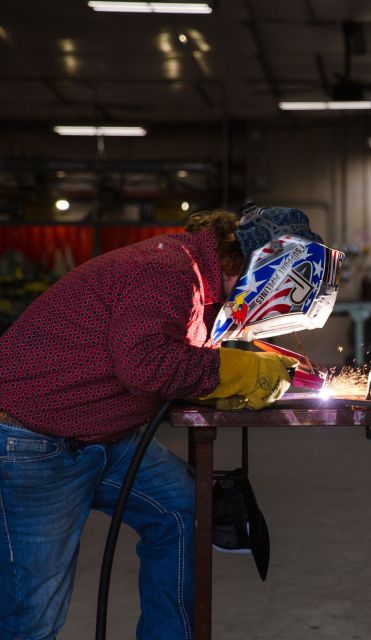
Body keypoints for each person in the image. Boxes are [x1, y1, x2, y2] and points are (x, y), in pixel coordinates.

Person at [0, 206, 322, 640]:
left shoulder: (200, 284)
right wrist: (238, 372)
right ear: (258, 268)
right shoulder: (168, 270)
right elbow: (147, 365)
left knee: (186, 511)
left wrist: (221, 378)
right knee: (33, 615)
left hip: (104, 436)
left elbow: (170, 355)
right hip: (33, 440)